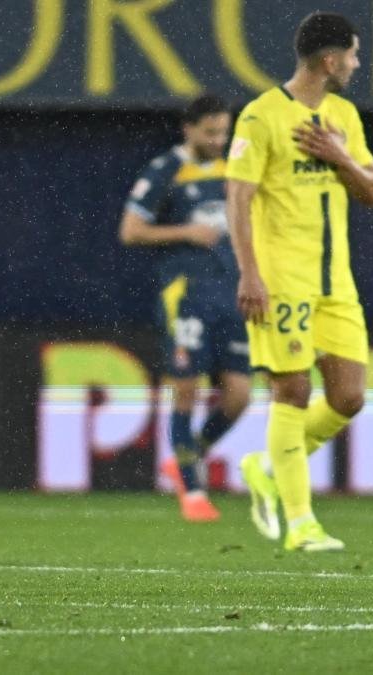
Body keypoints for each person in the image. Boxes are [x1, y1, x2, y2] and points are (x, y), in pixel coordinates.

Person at [224, 12, 373, 552]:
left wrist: (338, 156)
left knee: (349, 397)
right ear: (331, 60)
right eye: (353, 55)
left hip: (335, 281)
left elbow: (372, 191)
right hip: (281, 279)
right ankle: (300, 523)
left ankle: (268, 467)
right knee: (291, 390)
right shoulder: (261, 116)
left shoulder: (343, 116)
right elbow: (238, 199)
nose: (357, 64)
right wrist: (249, 273)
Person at [119, 94, 252, 522]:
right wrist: (186, 232)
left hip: (230, 294)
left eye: (223, 132)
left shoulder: (234, 168)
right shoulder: (165, 170)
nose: (218, 140)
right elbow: (131, 231)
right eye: (209, 132)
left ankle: (187, 456)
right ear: (188, 129)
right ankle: (192, 491)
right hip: (186, 294)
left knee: (239, 395)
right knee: (186, 389)